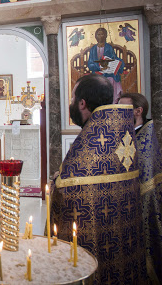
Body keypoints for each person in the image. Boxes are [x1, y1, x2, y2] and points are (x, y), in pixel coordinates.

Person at [51, 74, 147, 284]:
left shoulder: (90, 143)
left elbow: (66, 189)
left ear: (82, 103)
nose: (72, 103)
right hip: (123, 241)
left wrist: (57, 181)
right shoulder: (120, 133)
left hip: (93, 244)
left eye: (73, 99)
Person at [119, 93, 162, 284]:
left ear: (138, 111)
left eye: (123, 108)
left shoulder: (145, 137)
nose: (118, 112)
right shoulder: (129, 134)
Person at [87, 27, 125, 103]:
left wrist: (118, 62)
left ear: (105, 36)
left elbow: (114, 58)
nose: (100, 36)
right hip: (98, 72)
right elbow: (90, 64)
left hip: (108, 71)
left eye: (102, 34)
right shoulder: (93, 49)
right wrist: (99, 67)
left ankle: (113, 101)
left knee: (112, 79)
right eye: (98, 34)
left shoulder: (108, 47)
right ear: (95, 36)